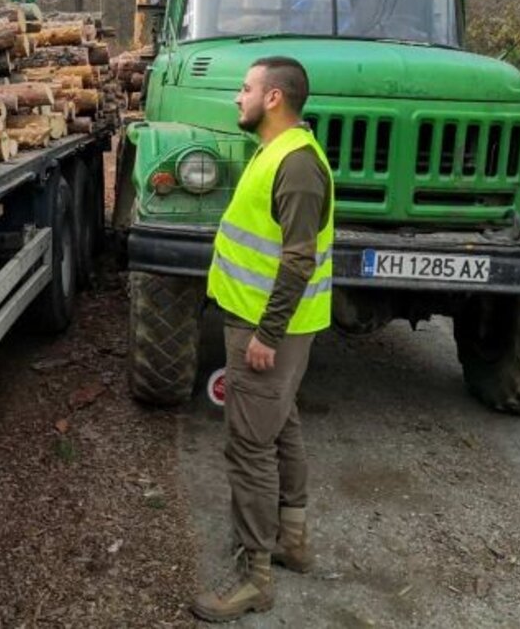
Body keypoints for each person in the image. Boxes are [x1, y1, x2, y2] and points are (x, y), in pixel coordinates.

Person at [191, 57, 334, 623]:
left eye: (246, 89)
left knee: (249, 447)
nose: (237, 98)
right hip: (266, 322)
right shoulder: (277, 151)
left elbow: (298, 260)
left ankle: (255, 577)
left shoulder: (296, 164)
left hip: (267, 328)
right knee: (281, 427)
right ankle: (292, 542)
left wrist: (266, 334)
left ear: (274, 98)